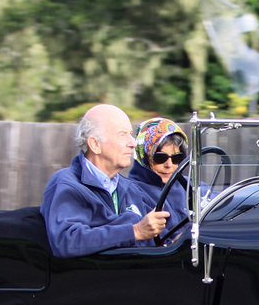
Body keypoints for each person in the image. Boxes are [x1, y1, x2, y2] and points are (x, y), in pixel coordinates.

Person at [42, 104, 168, 257]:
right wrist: (134, 231)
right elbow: (67, 241)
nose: (133, 143)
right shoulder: (68, 184)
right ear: (95, 145)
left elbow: (162, 240)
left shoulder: (129, 188)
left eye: (130, 134)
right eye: (122, 135)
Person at [128, 117, 191, 226]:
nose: (169, 165)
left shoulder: (190, 186)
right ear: (144, 157)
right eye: (160, 158)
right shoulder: (131, 193)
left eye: (177, 158)